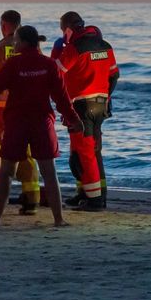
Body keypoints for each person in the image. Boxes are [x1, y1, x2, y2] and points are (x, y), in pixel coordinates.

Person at [0, 25, 78, 227]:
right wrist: (73, 118)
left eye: (17, 40)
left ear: (26, 42)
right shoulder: (48, 64)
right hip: (41, 122)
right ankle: (58, 219)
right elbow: (61, 98)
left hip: (17, 122)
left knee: (6, 172)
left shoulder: (14, 64)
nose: (14, 43)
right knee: (49, 171)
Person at [0, 9, 41, 215]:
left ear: (3, 25)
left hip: (1, 109)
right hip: (28, 108)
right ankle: (31, 199)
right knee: (26, 151)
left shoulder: (0, 49)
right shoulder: (34, 49)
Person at [54, 11, 118, 211]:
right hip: (101, 104)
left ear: (68, 29)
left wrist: (57, 51)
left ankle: (95, 200)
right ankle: (87, 192)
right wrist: (107, 96)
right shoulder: (105, 46)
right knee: (87, 150)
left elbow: (55, 73)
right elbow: (114, 76)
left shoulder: (75, 48)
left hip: (82, 105)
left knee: (85, 152)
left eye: (63, 31)